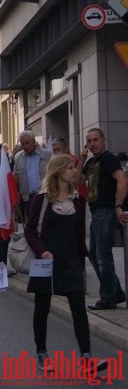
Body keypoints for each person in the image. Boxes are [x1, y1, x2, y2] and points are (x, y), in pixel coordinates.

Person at [25, 154, 107, 370]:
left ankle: (87, 356)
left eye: (75, 167)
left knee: (79, 308)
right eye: (70, 167)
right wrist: (42, 251)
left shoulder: (79, 201)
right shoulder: (40, 199)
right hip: (46, 263)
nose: (74, 171)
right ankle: (42, 352)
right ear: (59, 171)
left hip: (71, 261)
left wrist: (83, 258)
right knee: (42, 307)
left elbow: (80, 233)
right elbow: (30, 232)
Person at [81, 128, 128, 310]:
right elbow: (77, 181)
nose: (93, 144)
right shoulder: (92, 161)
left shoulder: (108, 159)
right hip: (97, 212)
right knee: (94, 255)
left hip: (106, 211)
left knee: (102, 256)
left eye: (95, 140)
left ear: (104, 140)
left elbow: (122, 179)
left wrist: (117, 205)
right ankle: (115, 292)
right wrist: (82, 159)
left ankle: (108, 297)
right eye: (89, 141)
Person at [13, 131, 52, 216]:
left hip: (45, 196)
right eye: (22, 144)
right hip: (28, 198)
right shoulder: (18, 158)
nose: (25, 146)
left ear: (34, 141)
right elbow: (16, 177)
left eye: (27, 143)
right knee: (31, 224)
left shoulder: (47, 155)